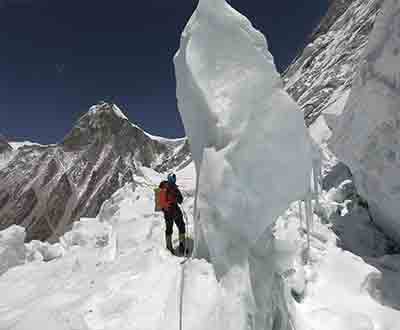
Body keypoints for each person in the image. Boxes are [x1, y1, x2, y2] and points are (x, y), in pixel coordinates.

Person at [159, 173, 186, 254]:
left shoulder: (163, 187)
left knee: (169, 229)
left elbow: (161, 202)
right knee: (181, 226)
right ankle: (181, 245)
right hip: (175, 211)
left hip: (167, 212)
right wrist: (176, 195)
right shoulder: (174, 189)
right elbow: (180, 200)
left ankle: (169, 247)